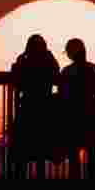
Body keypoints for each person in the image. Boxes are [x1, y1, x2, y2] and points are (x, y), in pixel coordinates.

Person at [10, 34, 60, 178]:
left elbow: (16, 81)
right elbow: (57, 77)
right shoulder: (48, 59)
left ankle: (20, 175)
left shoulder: (24, 60)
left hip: (27, 106)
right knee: (40, 148)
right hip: (44, 106)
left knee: (23, 147)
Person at [59, 38, 95, 179]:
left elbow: (62, 94)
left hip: (73, 117)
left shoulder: (66, 71)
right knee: (93, 154)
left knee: (73, 156)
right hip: (91, 116)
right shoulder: (94, 68)